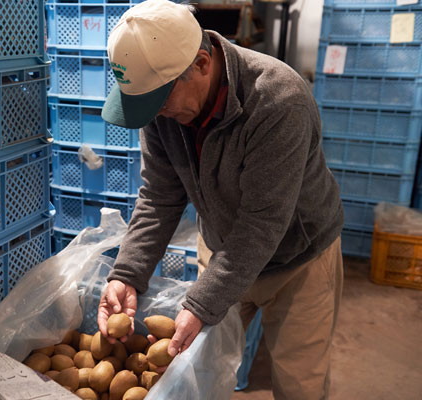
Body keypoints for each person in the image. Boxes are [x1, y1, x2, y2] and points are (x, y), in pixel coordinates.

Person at [96, 0, 344, 398]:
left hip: (299, 259)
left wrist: (203, 303)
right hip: (223, 248)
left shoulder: (278, 100)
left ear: (201, 64)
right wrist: (128, 272)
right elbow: (160, 195)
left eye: (160, 99)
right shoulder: (161, 109)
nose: (157, 113)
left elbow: (262, 223)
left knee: (299, 384)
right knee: (202, 373)